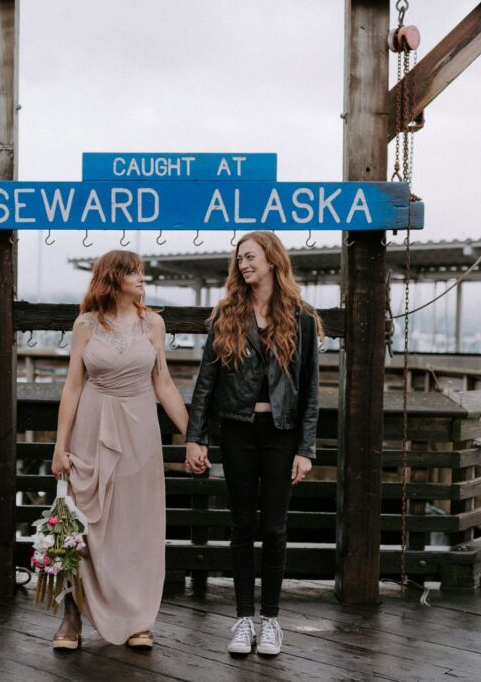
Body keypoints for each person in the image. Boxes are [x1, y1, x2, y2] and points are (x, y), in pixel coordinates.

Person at [185, 231, 321, 657]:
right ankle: (244, 619)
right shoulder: (227, 312)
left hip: (281, 433)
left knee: (275, 528)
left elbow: (311, 387)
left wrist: (306, 448)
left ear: (272, 260)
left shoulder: (300, 316)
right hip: (238, 431)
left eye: (250, 257)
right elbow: (206, 382)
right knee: (242, 526)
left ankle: (272, 621)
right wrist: (196, 437)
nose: (243, 264)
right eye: (239, 259)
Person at [50, 250, 188, 651]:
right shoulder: (86, 324)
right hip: (91, 430)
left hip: (140, 432)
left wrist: (192, 436)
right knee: (85, 525)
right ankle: (71, 614)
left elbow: (163, 384)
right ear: (114, 278)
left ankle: (138, 618)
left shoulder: (153, 323)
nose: (142, 278)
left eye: (142, 272)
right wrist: (60, 447)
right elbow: (72, 387)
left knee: (136, 526)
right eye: (134, 272)